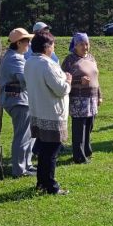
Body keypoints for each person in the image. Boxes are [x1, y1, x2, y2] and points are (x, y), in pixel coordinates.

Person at [24, 31, 71, 195]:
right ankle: (51, 186)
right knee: (51, 151)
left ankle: (41, 183)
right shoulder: (47, 64)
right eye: (53, 44)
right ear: (47, 47)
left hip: (38, 111)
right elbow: (60, 89)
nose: (54, 47)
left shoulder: (29, 62)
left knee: (44, 150)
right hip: (52, 113)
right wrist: (68, 81)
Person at [0, 28, 36, 177]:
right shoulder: (15, 58)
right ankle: (20, 169)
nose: (29, 43)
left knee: (29, 135)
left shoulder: (13, 56)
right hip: (19, 101)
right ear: (19, 42)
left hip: (22, 100)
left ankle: (27, 164)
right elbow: (25, 79)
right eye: (27, 41)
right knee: (22, 136)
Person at [62, 33, 102, 164]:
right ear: (75, 45)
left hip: (92, 98)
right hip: (78, 99)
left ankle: (87, 151)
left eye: (86, 44)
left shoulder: (91, 57)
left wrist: (99, 95)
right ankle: (79, 156)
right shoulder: (70, 60)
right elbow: (63, 79)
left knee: (89, 125)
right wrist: (79, 80)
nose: (85, 47)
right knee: (79, 127)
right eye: (81, 44)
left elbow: (96, 78)